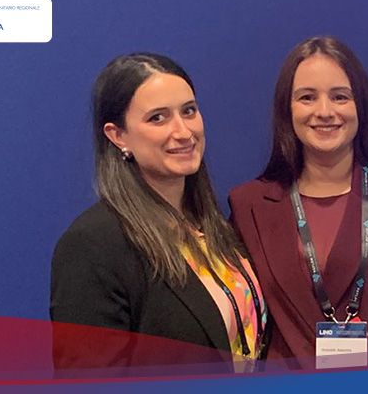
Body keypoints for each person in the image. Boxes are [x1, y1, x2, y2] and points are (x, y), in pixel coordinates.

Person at [228, 36, 368, 368]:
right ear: (287, 109)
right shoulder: (248, 205)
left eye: (340, 96)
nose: (324, 111)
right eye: (307, 97)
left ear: (359, 106)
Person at [51, 53, 267, 375]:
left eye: (188, 111)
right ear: (118, 135)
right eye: (158, 118)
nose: (183, 131)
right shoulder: (93, 245)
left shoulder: (212, 227)